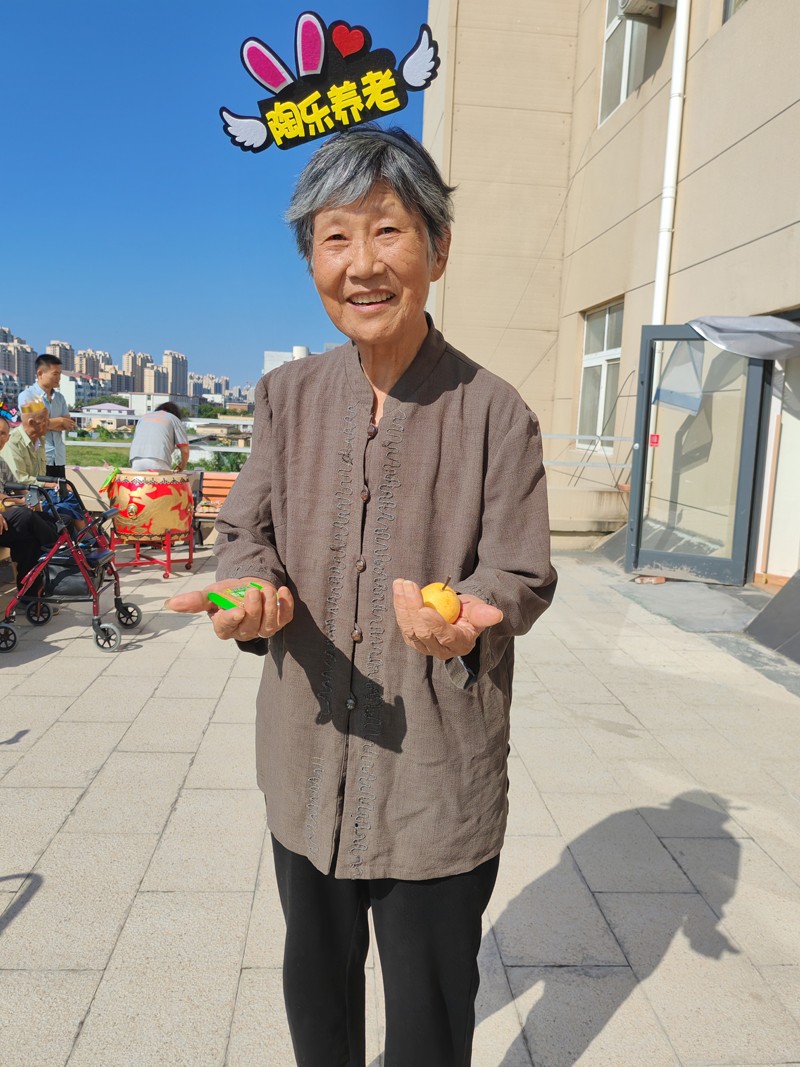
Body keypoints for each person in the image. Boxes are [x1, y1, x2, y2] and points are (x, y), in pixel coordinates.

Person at [168, 125, 557, 1067]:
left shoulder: (495, 411)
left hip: (434, 775)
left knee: (429, 1017)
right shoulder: (286, 397)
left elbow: (520, 569)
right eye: (334, 237)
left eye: (387, 231)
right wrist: (250, 590)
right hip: (304, 759)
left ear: (438, 249)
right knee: (317, 995)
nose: (362, 263)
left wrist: (466, 616)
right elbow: (245, 531)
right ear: (311, 260)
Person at [0, 415, 58, 599]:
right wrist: (20, 502)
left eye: (3, 434)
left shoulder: (1, 462)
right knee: (25, 516)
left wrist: (30, 498)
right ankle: (60, 545)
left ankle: (30, 598)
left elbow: (18, 486)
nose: (0, 437)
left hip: (4, 520)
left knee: (31, 538)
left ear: (7, 437)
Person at [17, 353, 76, 479]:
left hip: (58, 458)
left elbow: (68, 424)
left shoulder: (59, 398)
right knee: (40, 490)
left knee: (60, 490)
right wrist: (60, 421)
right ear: (40, 373)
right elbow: (33, 425)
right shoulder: (28, 396)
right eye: (55, 374)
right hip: (38, 457)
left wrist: (52, 423)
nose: (58, 378)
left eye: (59, 374)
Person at [128, 402, 189, 472]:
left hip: (135, 462)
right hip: (158, 462)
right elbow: (185, 450)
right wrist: (182, 467)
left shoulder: (143, 418)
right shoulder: (173, 418)